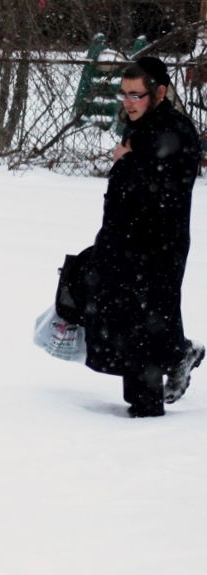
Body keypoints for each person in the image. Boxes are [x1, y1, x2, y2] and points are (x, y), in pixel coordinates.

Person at [83, 56, 204, 417]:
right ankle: (179, 355)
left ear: (159, 92)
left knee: (146, 319)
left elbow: (166, 188)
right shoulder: (140, 127)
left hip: (158, 242)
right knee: (129, 316)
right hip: (126, 238)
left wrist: (130, 160)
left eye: (136, 94)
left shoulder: (173, 129)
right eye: (124, 95)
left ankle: (146, 405)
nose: (129, 102)